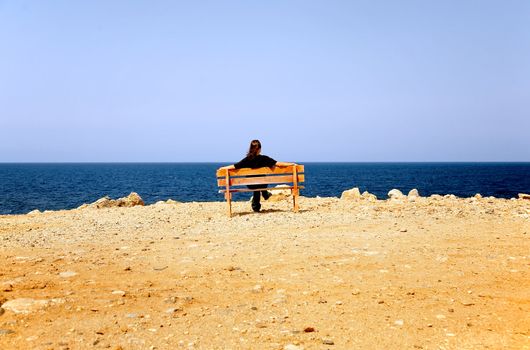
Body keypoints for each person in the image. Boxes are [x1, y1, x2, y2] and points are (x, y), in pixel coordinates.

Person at [220, 140, 293, 212]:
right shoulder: (265, 158)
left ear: (251, 148)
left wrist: (223, 168)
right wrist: (291, 164)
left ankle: (256, 206)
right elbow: (278, 163)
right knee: (261, 181)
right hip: (262, 184)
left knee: (255, 185)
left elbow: (235, 166)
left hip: (251, 185)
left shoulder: (247, 159)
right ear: (260, 149)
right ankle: (265, 194)